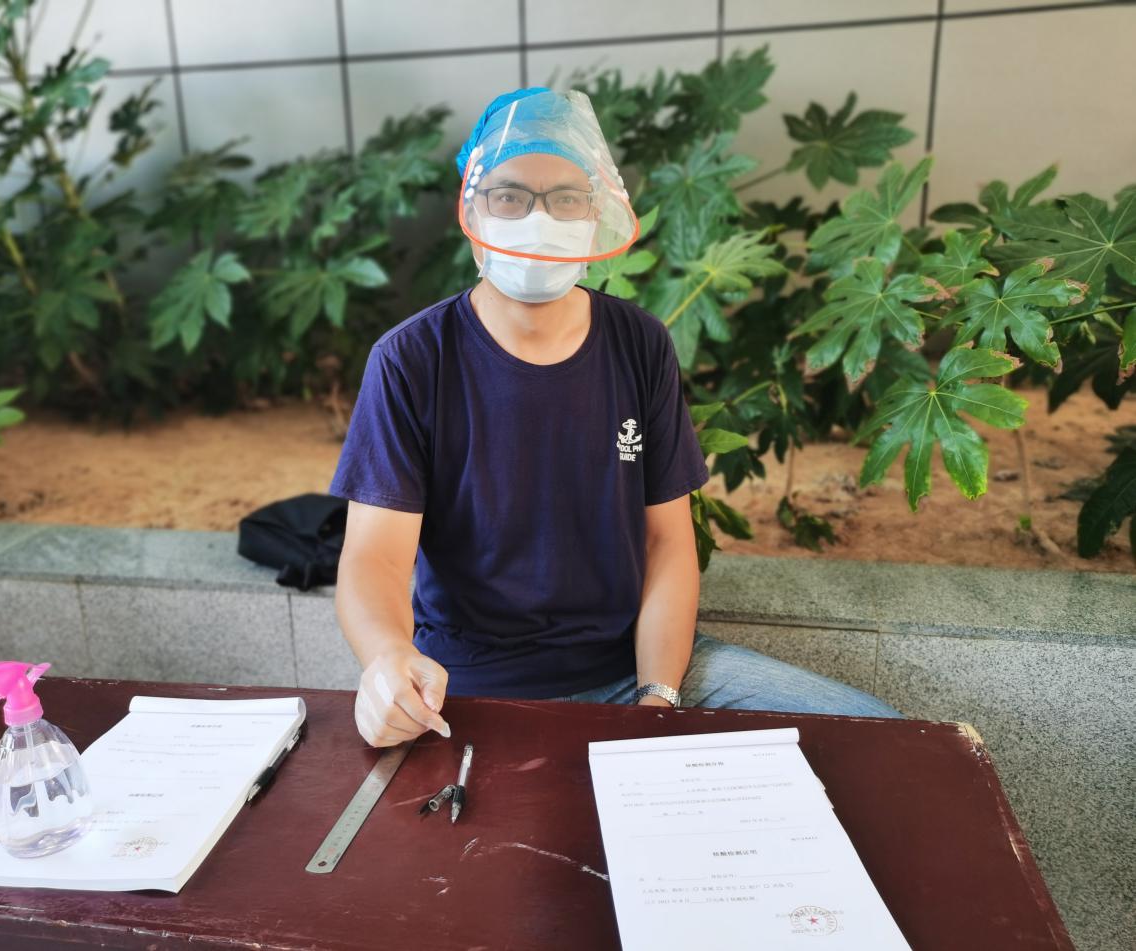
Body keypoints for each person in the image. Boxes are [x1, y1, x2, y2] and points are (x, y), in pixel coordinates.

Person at [329, 87, 904, 747]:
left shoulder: (640, 343)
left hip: (631, 664)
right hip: (468, 682)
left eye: (565, 198)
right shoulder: (412, 359)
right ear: (472, 208)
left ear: (595, 211)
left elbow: (667, 543)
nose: (538, 219)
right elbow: (374, 557)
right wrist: (387, 659)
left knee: (890, 740)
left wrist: (655, 699)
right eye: (510, 196)